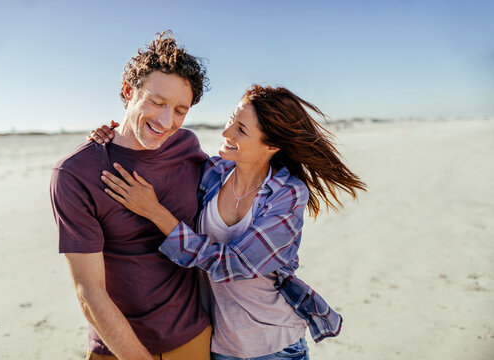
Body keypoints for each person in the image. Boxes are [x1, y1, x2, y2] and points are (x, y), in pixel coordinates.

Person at [92, 85, 367, 359]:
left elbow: (235, 264)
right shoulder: (212, 172)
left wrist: (155, 212)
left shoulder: (288, 193)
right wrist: (115, 135)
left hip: (274, 345)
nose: (226, 132)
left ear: (270, 145)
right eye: (232, 119)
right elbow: (156, 155)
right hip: (219, 346)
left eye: (241, 130)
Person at [50, 31, 212, 360]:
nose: (167, 122)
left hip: (193, 335)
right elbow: (88, 291)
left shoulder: (188, 146)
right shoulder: (74, 174)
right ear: (128, 92)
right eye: (157, 102)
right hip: (118, 348)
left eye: (180, 110)